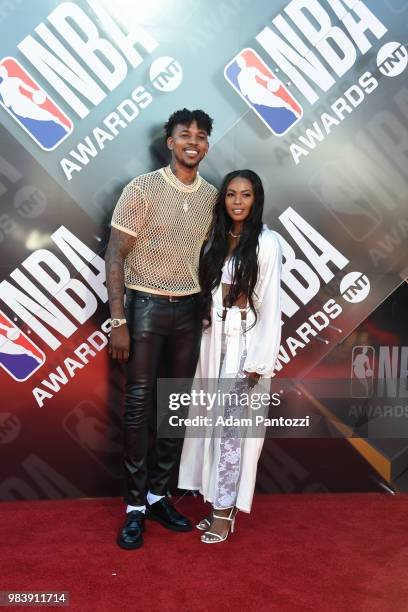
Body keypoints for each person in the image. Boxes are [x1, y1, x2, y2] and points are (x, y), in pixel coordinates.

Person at [105, 108, 218, 550]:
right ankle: (134, 508)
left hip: (190, 311)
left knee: (174, 405)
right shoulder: (143, 188)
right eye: (185, 134)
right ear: (169, 142)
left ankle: (157, 495)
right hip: (145, 307)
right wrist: (119, 320)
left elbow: (212, 255)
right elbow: (115, 254)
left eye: (201, 135)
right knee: (138, 407)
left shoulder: (212, 196)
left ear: (207, 145)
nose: (194, 141)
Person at [178, 169, 282, 543]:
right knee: (210, 425)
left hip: (244, 345)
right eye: (231, 194)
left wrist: (257, 364)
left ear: (257, 200)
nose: (238, 201)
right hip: (212, 342)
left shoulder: (267, 243)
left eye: (246, 195)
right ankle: (216, 503)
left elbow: (271, 307)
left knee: (233, 432)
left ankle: (224, 512)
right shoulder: (215, 240)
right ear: (223, 199)